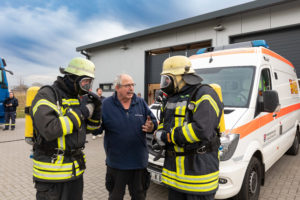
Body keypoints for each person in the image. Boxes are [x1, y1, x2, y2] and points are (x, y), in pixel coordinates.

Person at [30, 57, 102, 200]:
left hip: (74, 172)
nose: (87, 87)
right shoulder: (47, 95)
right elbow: (49, 130)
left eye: (89, 83)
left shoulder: (77, 98)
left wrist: (97, 108)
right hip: (51, 176)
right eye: (85, 82)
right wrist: (81, 113)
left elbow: (91, 128)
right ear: (73, 78)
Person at [153, 55, 223, 200]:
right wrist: (158, 134)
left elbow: (202, 129)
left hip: (198, 178)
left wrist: (168, 137)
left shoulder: (204, 94)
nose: (165, 84)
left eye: (168, 79)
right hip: (175, 178)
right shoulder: (172, 98)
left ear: (181, 77)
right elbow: (164, 123)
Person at [99, 74, 158, 200]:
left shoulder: (140, 103)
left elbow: (153, 123)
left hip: (138, 163)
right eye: (127, 85)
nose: (131, 88)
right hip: (116, 163)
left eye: (132, 85)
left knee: (139, 196)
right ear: (117, 88)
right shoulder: (106, 105)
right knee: (115, 197)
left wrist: (151, 126)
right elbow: (96, 130)